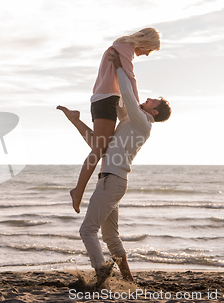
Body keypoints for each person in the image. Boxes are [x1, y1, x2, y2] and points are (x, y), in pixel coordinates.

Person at [57, 50, 171, 287]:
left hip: (112, 181)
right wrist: (76, 120)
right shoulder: (129, 122)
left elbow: (127, 96)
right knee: (110, 237)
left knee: (87, 230)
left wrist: (120, 66)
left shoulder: (143, 123)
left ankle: (101, 274)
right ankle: (129, 281)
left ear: (154, 112)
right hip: (112, 181)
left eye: (151, 102)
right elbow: (100, 140)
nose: (146, 100)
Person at [69, 28, 161, 214]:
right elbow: (129, 77)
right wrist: (135, 105)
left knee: (102, 147)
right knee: (99, 149)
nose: (147, 53)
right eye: (149, 50)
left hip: (103, 98)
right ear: (147, 43)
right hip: (106, 100)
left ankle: (74, 119)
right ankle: (78, 191)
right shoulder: (126, 49)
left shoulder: (119, 46)